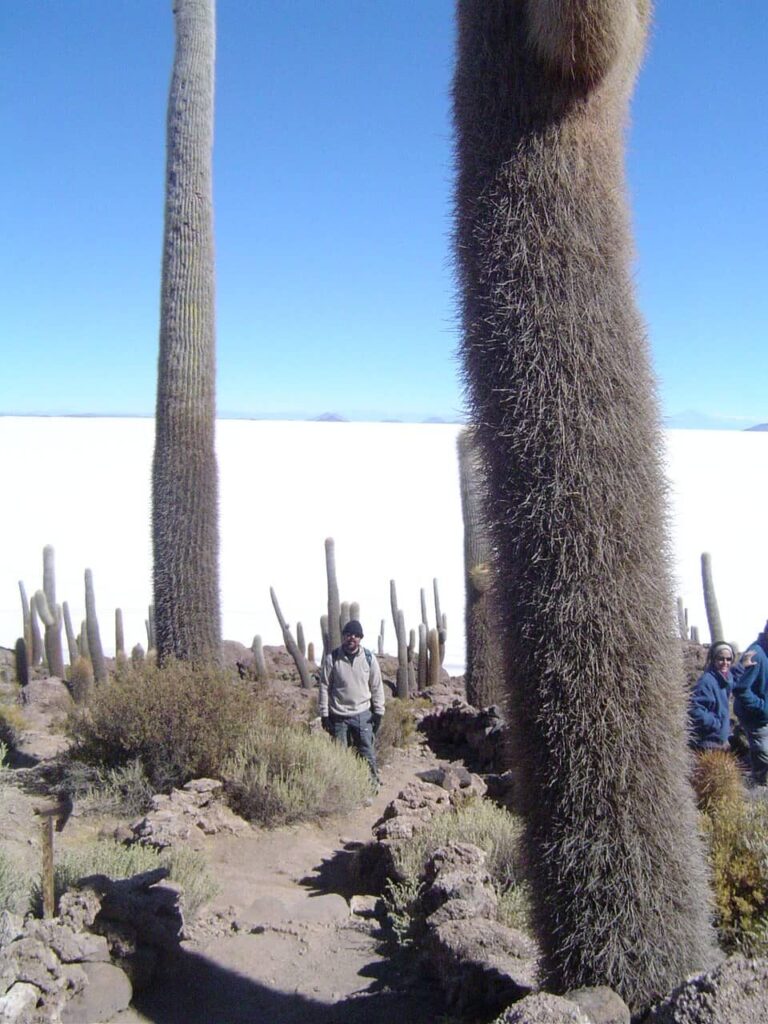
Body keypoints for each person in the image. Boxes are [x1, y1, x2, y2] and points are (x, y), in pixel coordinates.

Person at [319, 619, 385, 785]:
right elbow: (324, 687)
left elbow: (377, 686)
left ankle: (372, 786)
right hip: (339, 715)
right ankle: (343, 788)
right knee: (340, 755)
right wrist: (324, 715)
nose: (352, 638)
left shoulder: (369, 658)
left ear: (360, 638)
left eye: (356, 635)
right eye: (348, 635)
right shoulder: (332, 658)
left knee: (367, 752)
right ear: (343, 636)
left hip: (363, 713)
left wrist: (378, 713)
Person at [732, 623, 768, 787]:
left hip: (762, 718)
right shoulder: (756, 655)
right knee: (763, 762)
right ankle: (755, 793)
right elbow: (741, 689)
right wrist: (763, 707)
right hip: (757, 720)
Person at [688, 642, 734, 751]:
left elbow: (734, 679)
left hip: (720, 742)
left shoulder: (724, 678)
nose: (725, 663)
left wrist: (742, 666)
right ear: (713, 659)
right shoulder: (706, 682)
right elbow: (694, 709)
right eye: (721, 659)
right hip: (708, 744)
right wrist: (716, 723)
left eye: (728, 659)